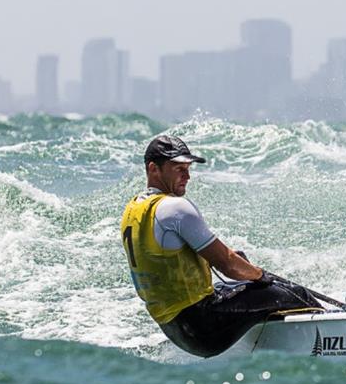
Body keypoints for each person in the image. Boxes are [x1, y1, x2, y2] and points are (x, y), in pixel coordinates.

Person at [120, 135, 321, 357]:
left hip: (175, 329)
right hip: (203, 327)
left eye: (188, 168)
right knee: (292, 293)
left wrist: (240, 268)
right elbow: (228, 266)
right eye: (179, 169)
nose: (187, 176)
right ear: (153, 169)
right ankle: (331, 335)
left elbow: (170, 258)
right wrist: (259, 274)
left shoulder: (134, 210)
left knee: (244, 288)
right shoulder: (175, 208)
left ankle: (267, 338)